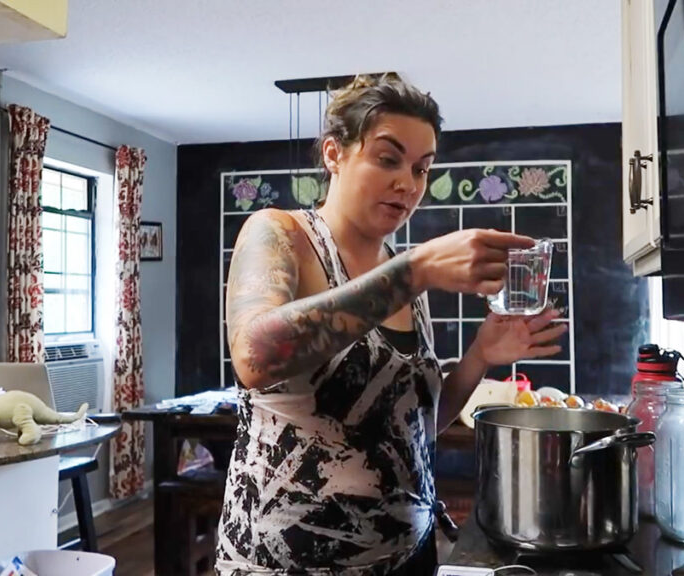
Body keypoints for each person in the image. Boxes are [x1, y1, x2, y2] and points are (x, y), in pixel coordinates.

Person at [216, 73, 567, 576]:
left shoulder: (400, 272)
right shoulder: (282, 233)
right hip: (288, 564)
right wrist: (415, 271)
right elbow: (253, 356)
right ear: (335, 154)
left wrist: (481, 355)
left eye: (422, 169)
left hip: (406, 554)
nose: (408, 183)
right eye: (388, 158)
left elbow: (411, 429)